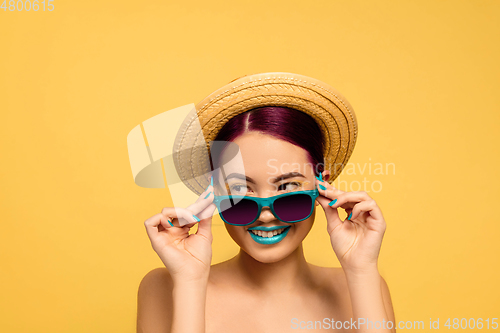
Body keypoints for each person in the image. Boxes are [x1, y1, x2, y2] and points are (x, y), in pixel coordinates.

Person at [136, 73, 396, 333]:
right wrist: (190, 281)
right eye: (239, 190)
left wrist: (361, 270)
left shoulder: (362, 284)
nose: (266, 214)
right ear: (214, 194)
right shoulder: (166, 287)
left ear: (322, 188)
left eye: (288, 188)